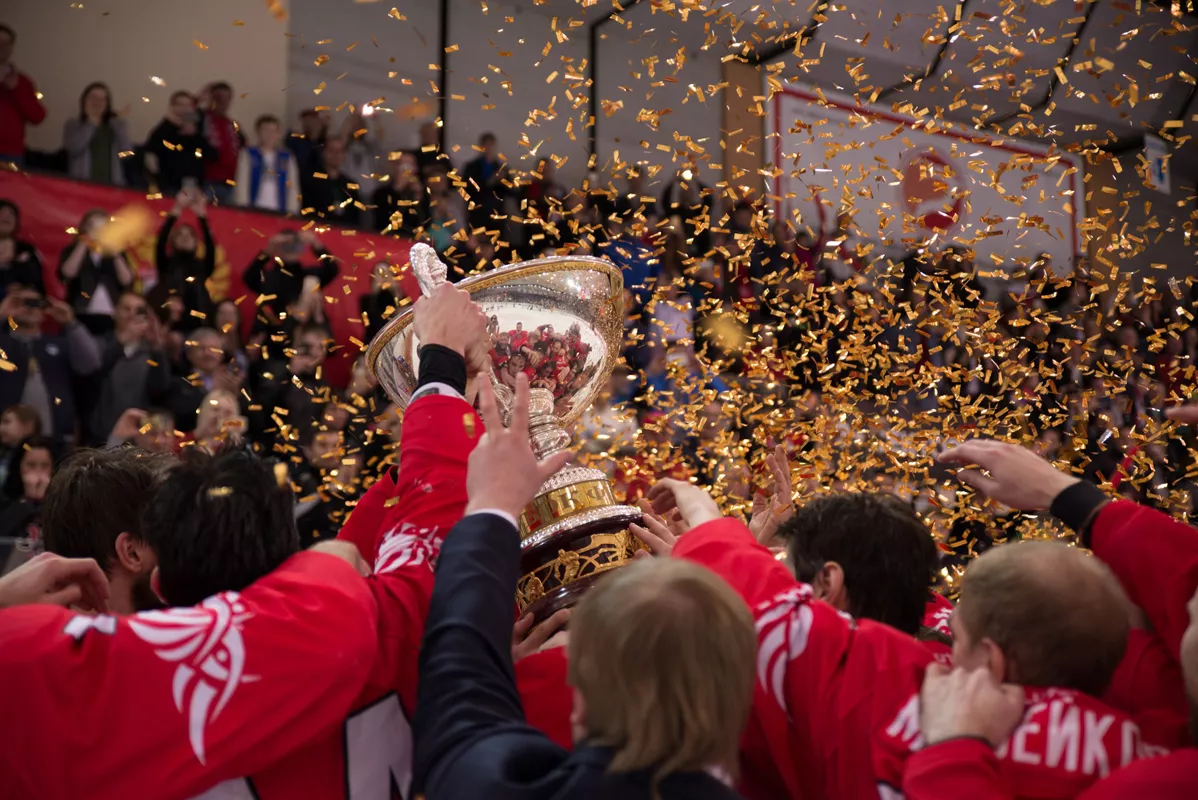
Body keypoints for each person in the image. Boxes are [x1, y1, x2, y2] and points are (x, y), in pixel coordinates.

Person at [642, 473, 1165, 800]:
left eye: (959, 633)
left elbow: (768, 605)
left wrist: (704, 517)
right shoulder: (1147, 756)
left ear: (992, 662)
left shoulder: (888, 692)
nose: (947, 645)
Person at [411, 374, 753, 800]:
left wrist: (489, 508)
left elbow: (456, 714)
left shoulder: (507, 785)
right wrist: (709, 535)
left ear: (581, 709)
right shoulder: (773, 765)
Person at [0, 463, 382, 799]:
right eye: (174, 523)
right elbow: (316, 630)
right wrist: (332, 560)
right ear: (133, 553)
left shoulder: (31, 647)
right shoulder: (72, 669)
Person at [901, 432, 1198, 799]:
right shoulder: (1162, 720)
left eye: (957, 637)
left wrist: (950, 750)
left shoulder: (947, 734)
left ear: (993, 660)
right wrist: (1074, 499)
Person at [0, 285, 101, 450]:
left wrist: (71, 323)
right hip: (6, 438)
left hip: (56, 437)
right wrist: (1, 315)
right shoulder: (3, 343)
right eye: (23, 302)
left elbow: (91, 363)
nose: (30, 308)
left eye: (36, 303)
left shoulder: (58, 343)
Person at [88, 291, 172, 446]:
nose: (132, 314)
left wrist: (157, 347)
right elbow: (91, 379)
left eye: (138, 310)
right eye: (127, 309)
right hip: (99, 436)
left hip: (139, 436)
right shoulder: (99, 344)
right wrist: (121, 342)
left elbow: (160, 389)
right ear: (115, 312)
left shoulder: (151, 352)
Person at [56, 209, 134, 336]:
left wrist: (115, 251)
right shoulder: (74, 250)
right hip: (80, 314)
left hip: (111, 316)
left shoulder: (116, 254)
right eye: (93, 226)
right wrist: (83, 243)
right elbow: (67, 273)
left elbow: (127, 280)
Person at [242, 229, 339, 326]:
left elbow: (332, 269)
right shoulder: (267, 277)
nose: (290, 249)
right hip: (270, 330)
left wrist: (316, 244)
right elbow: (249, 277)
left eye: (295, 245)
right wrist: (268, 250)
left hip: (302, 331)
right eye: (285, 245)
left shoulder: (309, 276)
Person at [154, 187, 215, 327]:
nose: (185, 238)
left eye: (189, 235)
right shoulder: (166, 264)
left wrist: (202, 216)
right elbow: (160, 242)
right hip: (171, 324)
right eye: (180, 234)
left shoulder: (202, 267)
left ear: (196, 242)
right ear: (173, 241)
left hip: (198, 324)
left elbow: (211, 248)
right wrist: (176, 210)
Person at [167, 327, 240, 433]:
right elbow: (182, 418)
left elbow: (254, 421)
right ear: (189, 354)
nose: (208, 353)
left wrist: (236, 397)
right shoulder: (179, 383)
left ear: (222, 354)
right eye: (201, 349)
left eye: (213, 349)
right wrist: (213, 394)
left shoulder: (233, 380)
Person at [143, 90, 214, 196]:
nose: (184, 109)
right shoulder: (164, 129)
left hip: (195, 185)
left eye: (188, 105)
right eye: (180, 105)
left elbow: (211, 154)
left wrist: (195, 135)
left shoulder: (197, 129)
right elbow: (151, 150)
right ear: (172, 107)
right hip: (168, 185)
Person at [63, 82, 131, 186]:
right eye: (93, 98)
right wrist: (91, 124)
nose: (97, 102)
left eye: (102, 99)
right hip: (82, 186)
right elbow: (73, 148)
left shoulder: (114, 126)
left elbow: (127, 154)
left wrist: (121, 130)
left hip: (112, 186)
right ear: (85, 100)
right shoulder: (73, 124)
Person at [0, 435, 54, 566]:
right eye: (31, 465)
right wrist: (27, 501)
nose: (38, 471)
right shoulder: (5, 498)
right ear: (19, 466)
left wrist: (42, 502)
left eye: (45, 465)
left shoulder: (61, 501)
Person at [234, 114, 299, 214]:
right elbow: (242, 183)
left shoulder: (286, 157)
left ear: (279, 134)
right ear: (258, 132)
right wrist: (242, 208)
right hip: (254, 208)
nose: (269, 135)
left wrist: (292, 211)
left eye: (273, 131)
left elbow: (293, 186)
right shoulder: (248, 154)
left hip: (279, 210)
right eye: (265, 130)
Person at [0, 25, 46, 165]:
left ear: (11, 47)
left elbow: (38, 117)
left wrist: (15, 89)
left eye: (6, 43)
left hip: (11, 155)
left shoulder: (22, 81)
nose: (2, 47)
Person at [199, 81, 243, 204]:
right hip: (208, 182)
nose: (222, 103)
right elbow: (183, 119)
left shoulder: (231, 124)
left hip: (231, 183)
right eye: (218, 98)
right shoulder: (201, 118)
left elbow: (244, 148)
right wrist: (197, 99)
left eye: (226, 99)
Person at [301, 137, 360, 226]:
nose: (336, 155)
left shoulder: (350, 185)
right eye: (332, 150)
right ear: (324, 153)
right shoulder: (311, 182)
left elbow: (355, 219)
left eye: (339, 151)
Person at [372, 151, 428, 235]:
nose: (406, 169)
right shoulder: (381, 194)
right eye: (403, 164)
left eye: (410, 164)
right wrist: (398, 188)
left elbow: (425, 224)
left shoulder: (422, 193)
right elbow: (386, 222)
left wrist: (418, 197)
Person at [463, 131, 507, 230]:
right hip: (477, 214)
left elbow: (510, 191)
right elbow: (469, 188)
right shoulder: (472, 167)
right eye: (487, 145)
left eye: (492, 145)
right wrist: (490, 181)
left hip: (496, 215)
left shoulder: (501, 168)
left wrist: (504, 181)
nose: (489, 148)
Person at [0, 199, 41, 296]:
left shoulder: (26, 249)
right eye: (1, 213)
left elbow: (36, 282)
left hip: (20, 301)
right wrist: (4, 290)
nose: (6, 217)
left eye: (11, 214)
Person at [0, 403, 39, 487]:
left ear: (27, 426)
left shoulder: (30, 449)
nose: (1, 428)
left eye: (6, 422)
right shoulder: (4, 451)